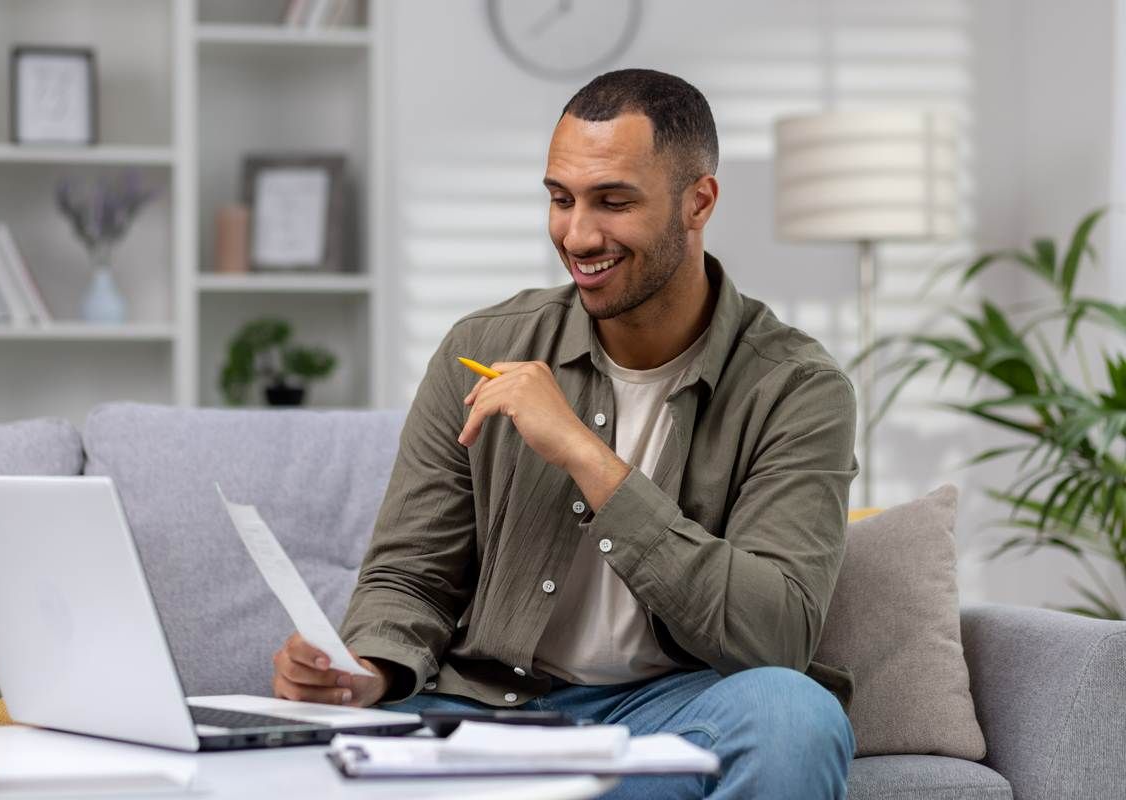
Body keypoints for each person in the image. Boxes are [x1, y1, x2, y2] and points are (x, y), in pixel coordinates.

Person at [273, 68, 858, 799]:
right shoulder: (480, 347)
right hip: (486, 710)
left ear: (698, 202)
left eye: (613, 201)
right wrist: (366, 670)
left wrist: (586, 454)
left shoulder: (797, 388)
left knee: (793, 715)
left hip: (669, 714)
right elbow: (409, 578)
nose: (578, 235)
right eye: (560, 199)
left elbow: (775, 636)